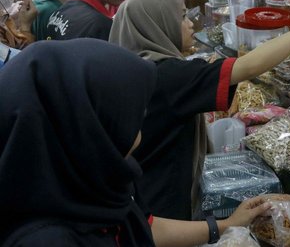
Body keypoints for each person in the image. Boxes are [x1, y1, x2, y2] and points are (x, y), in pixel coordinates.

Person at [109, 0, 290, 220]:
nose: (191, 23)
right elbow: (249, 66)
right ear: (156, 24)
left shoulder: (135, 67)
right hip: (165, 203)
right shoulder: (168, 76)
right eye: (182, 16)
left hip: (143, 193)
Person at [0, 39, 269, 247]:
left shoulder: (87, 181)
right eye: (134, 116)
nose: (142, 128)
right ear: (90, 131)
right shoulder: (47, 239)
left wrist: (225, 225)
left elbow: (140, 224)